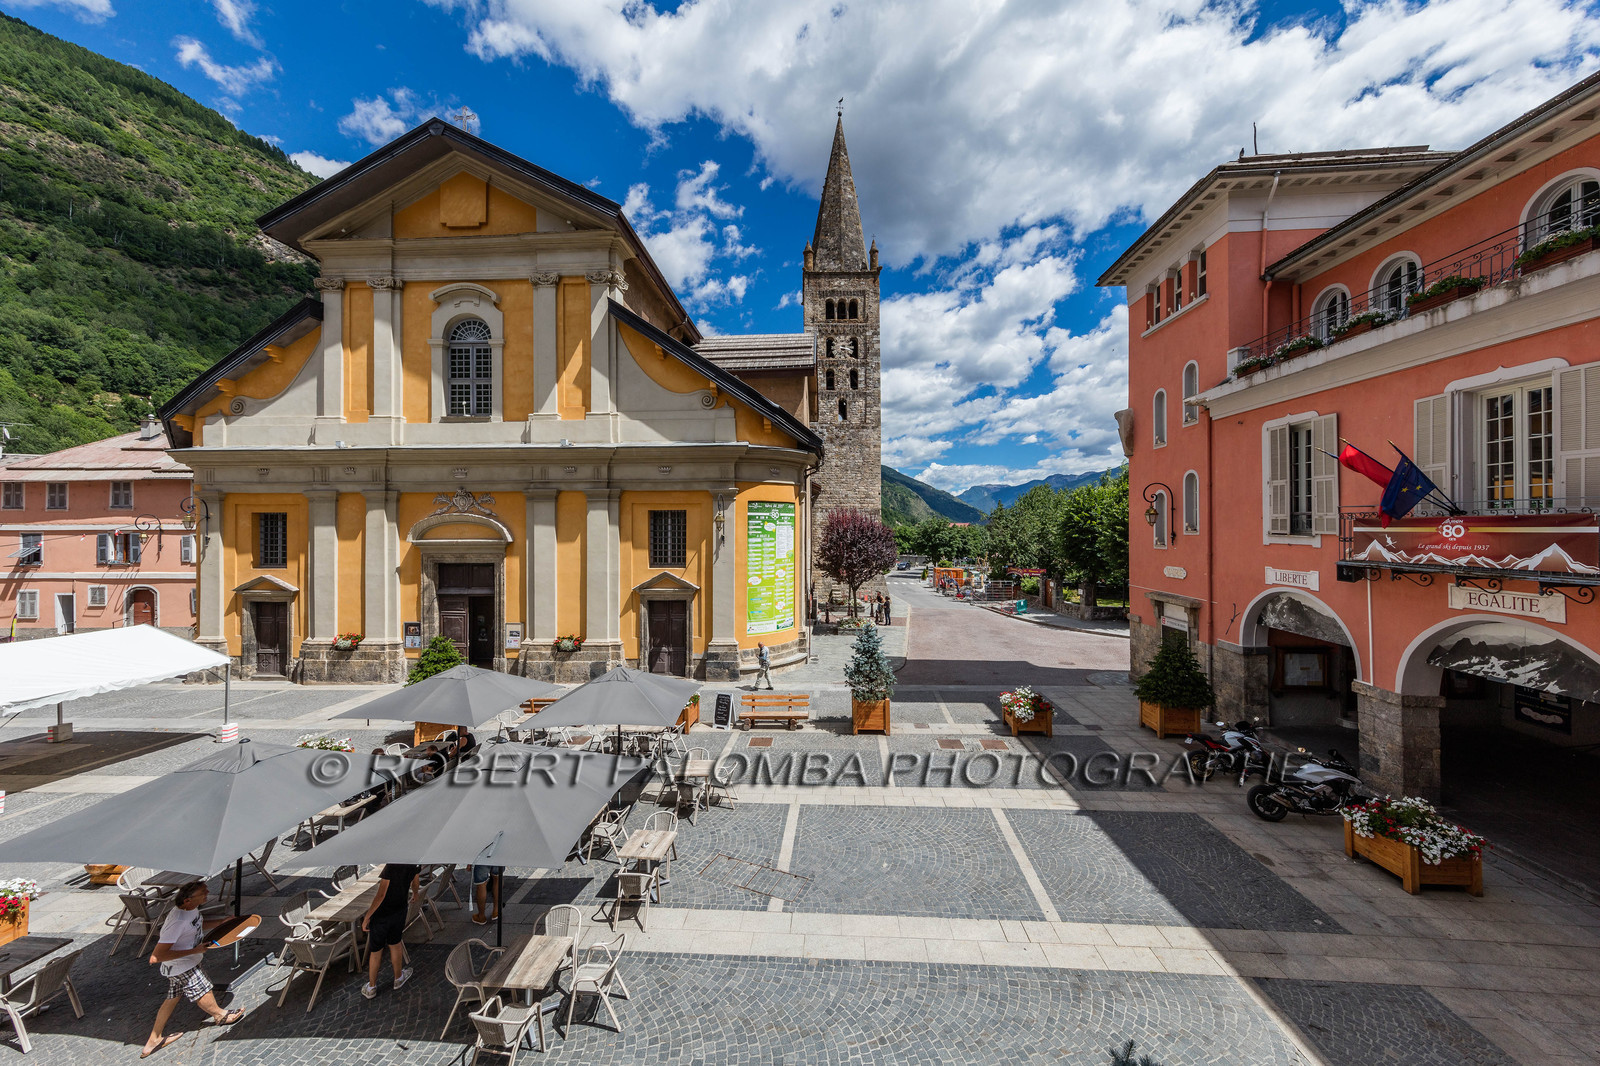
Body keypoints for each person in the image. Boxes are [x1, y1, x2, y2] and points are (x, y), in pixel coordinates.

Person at [142, 881, 243, 1058]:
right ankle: (220, 1015)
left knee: (172, 999)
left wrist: (221, 922)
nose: (207, 893)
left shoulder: (191, 910)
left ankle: (154, 1039)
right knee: (202, 989)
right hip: (182, 966)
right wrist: (194, 950)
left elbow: (196, 925)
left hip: (184, 964)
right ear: (187, 900)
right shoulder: (177, 922)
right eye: (203, 893)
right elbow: (156, 957)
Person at [360, 862, 420, 999]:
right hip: (399, 910)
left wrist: (367, 917)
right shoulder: (415, 863)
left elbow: (381, 895)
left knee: (376, 951)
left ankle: (372, 987)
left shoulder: (391, 866)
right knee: (395, 944)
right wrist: (415, 893)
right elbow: (415, 882)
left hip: (382, 915)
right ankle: (398, 978)